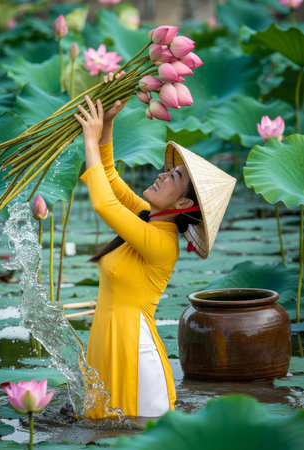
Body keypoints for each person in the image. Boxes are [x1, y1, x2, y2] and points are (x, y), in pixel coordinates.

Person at [74, 73, 236, 419]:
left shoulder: (162, 243)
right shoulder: (148, 217)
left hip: (135, 357)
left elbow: (104, 204)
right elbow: (110, 178)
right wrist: (107, 125)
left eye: (173, 177)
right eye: (167, 170)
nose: (161, 175)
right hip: (110, 341)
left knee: (135, 434)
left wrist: (88, 138)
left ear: (182, 206)